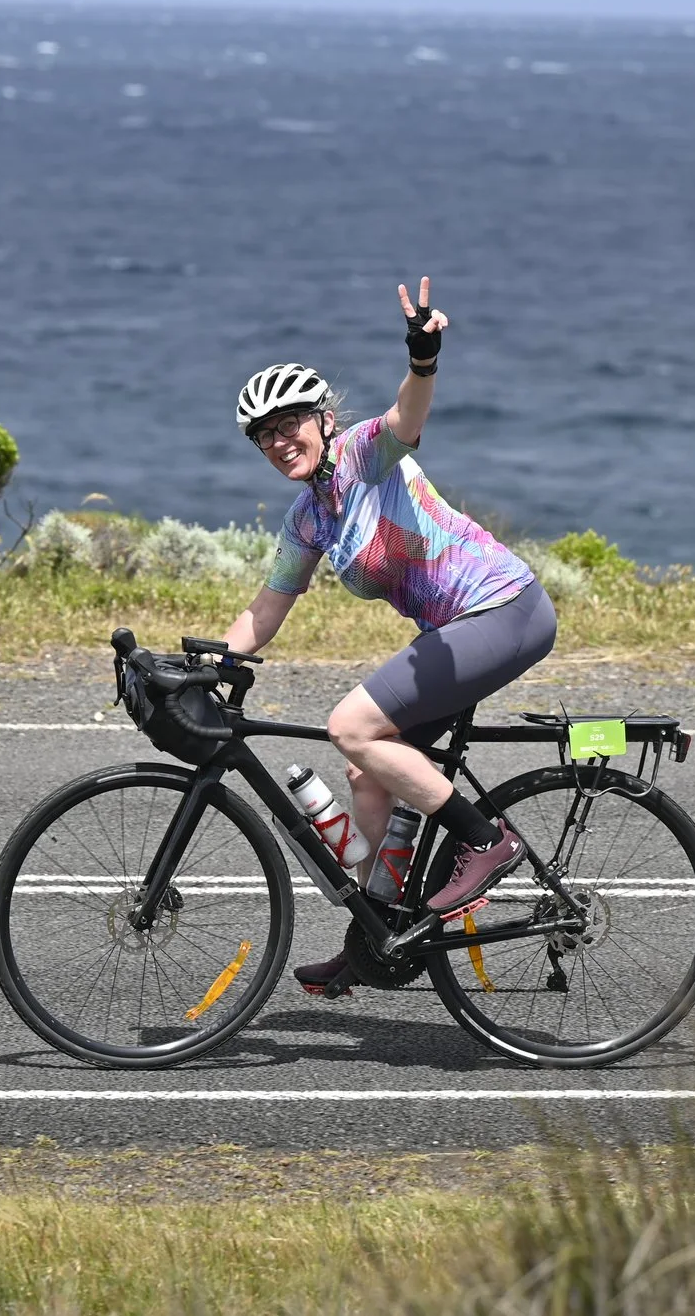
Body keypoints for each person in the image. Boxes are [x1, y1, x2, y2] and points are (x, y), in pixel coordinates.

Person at [218, 278, 557, 996]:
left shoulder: (367, 453)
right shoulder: (309, 518)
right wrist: (206, 664)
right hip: (456, 631)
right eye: (265, 435)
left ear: (325, 419)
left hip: (504, 610)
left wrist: (423, 359)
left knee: (351, 724)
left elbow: (408, 414)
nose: (281, 441)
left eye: (291, 424)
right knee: (368, 774)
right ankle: (377, 935)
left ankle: (485, 840)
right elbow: (264, 612)